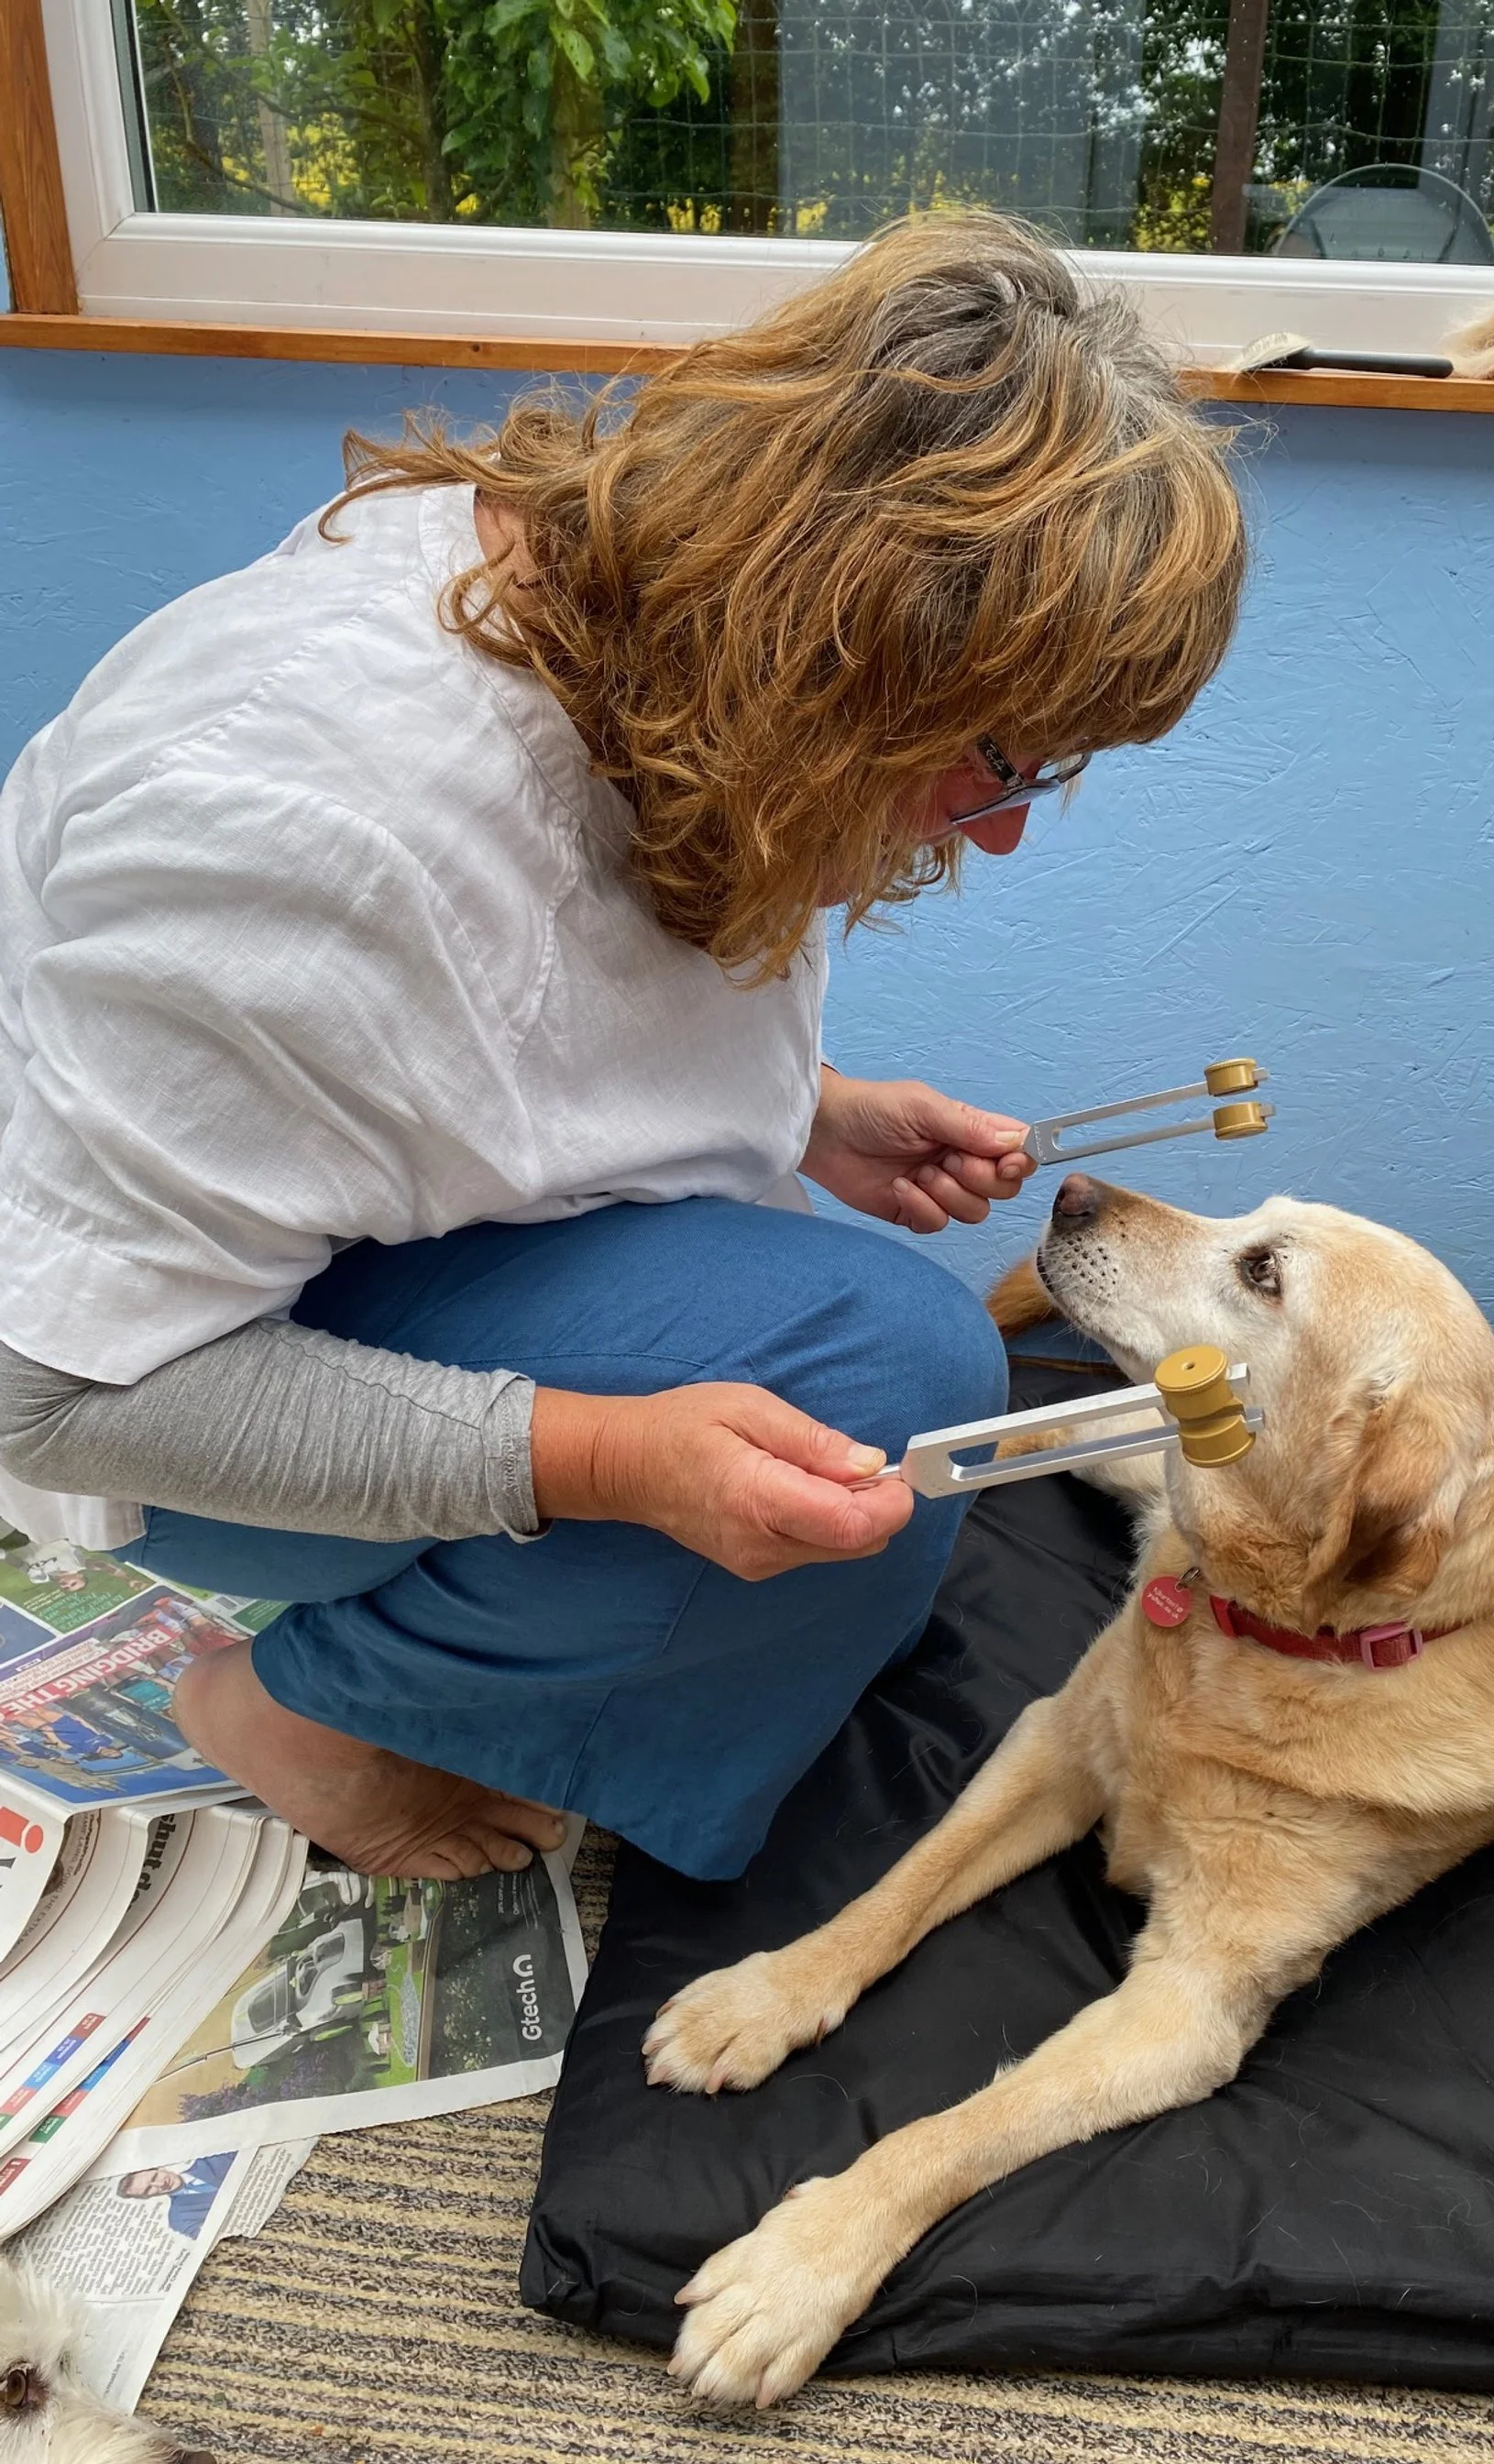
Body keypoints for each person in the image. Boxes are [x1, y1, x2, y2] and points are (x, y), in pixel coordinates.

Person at [0, 215, 1244, 1884]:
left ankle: (465, 1653)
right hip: (122, 1388)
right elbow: (55, 1391)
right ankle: (314, 1708)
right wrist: (598, 1461)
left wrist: (806, 1111)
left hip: (274, 1260)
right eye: (1000, 761)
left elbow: (479, 1018)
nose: (1003, 836)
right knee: (876, 1385)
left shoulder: (658, 618)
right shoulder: (309, 814)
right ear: (837, 647)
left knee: (833, 1399)